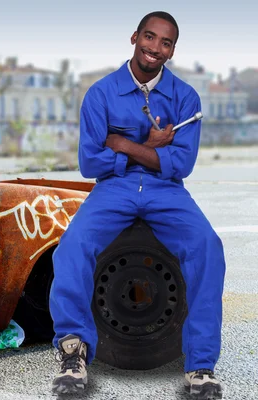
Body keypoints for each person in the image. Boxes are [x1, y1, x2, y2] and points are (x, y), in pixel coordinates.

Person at [49, 11, 225, 400]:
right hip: (114, 188)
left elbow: (183, 164)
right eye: (149, 37)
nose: (155, 48)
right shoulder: (100, 94)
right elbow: (89, 163)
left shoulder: (185, 98)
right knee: (71, 247)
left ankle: (201, 366)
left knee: (208, 246)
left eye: (165, 43)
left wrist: (124, 144)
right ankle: (73, 354)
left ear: (173, 50)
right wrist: (150, 149)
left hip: (167, 190)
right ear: (134, 37)